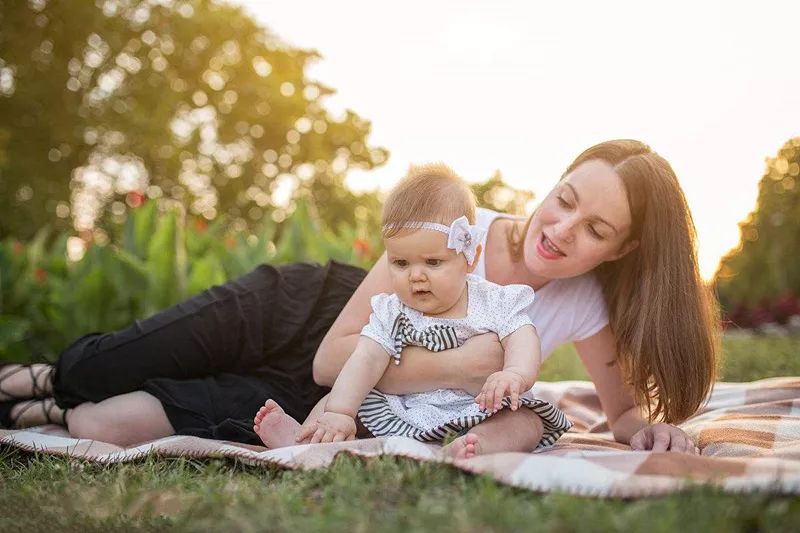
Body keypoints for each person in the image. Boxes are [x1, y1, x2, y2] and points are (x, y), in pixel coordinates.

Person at [0, 139, 718, 454]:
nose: (559, 230)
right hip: (304, 312)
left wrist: (644, 426)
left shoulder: (584, 302)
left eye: (595, 229)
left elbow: (621, 408)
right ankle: (44, 380)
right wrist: (468, 364)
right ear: (556, 177)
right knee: (94, 368)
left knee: (109, 420)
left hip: (328, 398)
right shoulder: (464, 229)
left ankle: (51, 404)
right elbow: (332, 354)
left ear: (622, 250)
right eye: (563, 199)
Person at [252, 166, 572, 458]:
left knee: (528, 421)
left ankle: (478, 445)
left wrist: (515, 373)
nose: (415, 275)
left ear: (470, 258)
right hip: (405, 407)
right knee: (342, 398)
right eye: (401, 263)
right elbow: (364, 359)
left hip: (480, 408)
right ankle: (306, 439)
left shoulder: (493, 300)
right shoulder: (392, 309)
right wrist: (341, 410)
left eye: (433, 262)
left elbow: (523, 335)